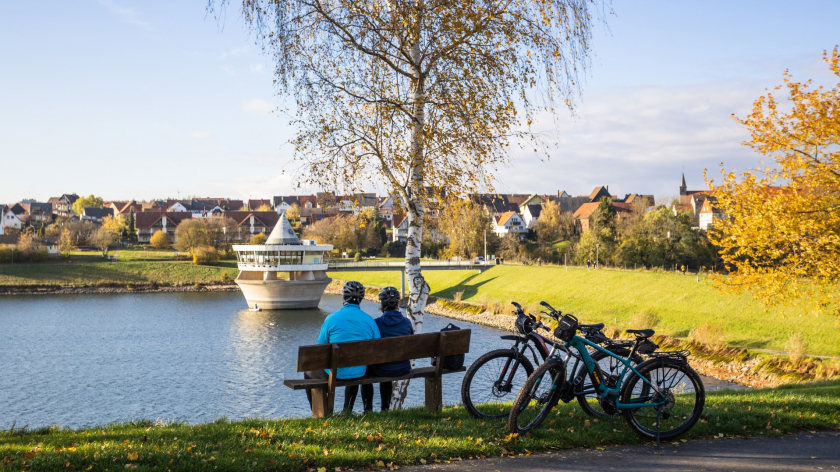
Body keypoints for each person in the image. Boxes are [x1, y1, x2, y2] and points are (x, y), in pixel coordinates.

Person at [305, 281, 380, 412]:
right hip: (359, 371)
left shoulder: (331, 319)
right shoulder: (370, 320)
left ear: (343, 297)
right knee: (355, 366)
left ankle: (318, 411)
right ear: (361, 299)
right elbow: (378, 347)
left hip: (336, 373)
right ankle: (347, 410)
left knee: (308, 372)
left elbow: (320, 348)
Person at [363, 287, 414, 411]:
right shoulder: (407, 323)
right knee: (387, 364)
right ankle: (385, 408)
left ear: (382, 303)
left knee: (366, 370)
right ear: (397, 304)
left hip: (383, 368)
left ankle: (368, 410)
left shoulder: (376, 324)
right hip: (403, 368)